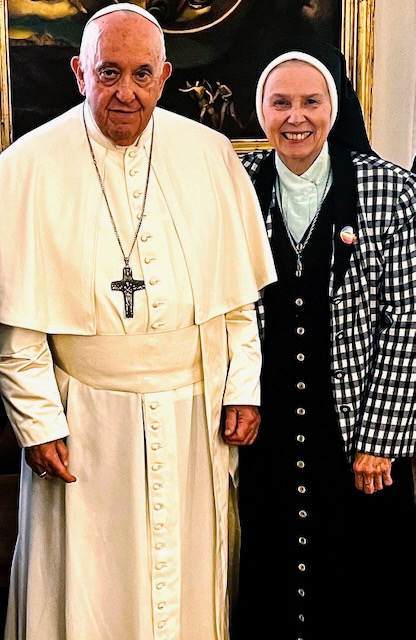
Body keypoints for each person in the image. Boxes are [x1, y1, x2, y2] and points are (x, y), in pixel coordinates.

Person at [0, 4, 277, 639]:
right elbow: (17, 331)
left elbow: (237, 303)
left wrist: (242, 389)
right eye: (109, 73)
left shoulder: (209, 157)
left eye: (142, 74)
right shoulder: (27, 167)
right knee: (88, 586)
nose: (125, 92)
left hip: (193, 420)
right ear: (79, 72)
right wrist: (38, 421)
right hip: (86, 426)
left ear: (164, 75)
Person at [232, 38, 416, 640]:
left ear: (333, 106)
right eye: (280, 102)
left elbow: (405, 319)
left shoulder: (390, 189)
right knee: (270, 567)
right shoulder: (238, 186)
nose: (295, 117)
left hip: (359, 428)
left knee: (363, 579)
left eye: (310, 101)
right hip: (269, 425)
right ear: (261, 111)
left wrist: (381, 439)